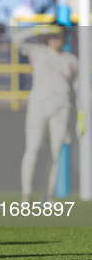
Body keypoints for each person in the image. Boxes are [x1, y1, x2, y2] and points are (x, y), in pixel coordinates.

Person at [13, 25, 83, 203]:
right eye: (51, 35)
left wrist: (81, 115)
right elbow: (16, 39)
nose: (55, 39)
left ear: (65, 38)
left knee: (55, 153)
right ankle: (26, 194)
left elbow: (78, 90)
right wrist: (38, 30)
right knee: (33, 149)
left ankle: (47, 196)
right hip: (39, 107)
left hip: (61, 109)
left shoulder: (72, 61)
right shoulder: (39, 52)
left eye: (58, 36)